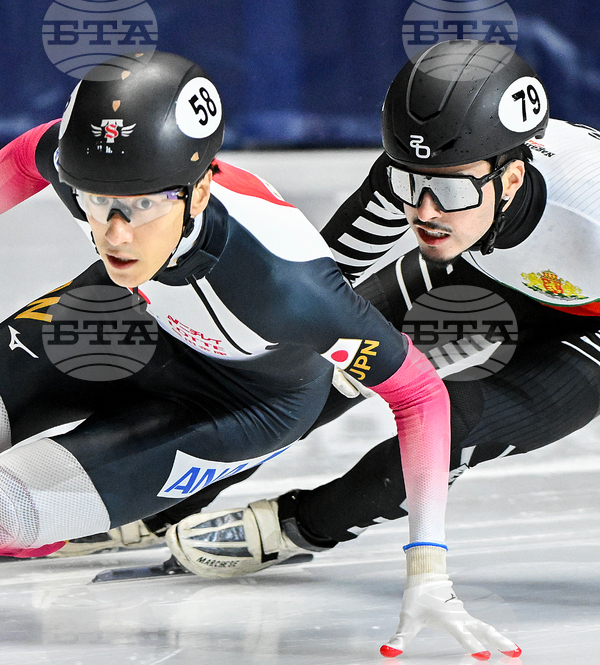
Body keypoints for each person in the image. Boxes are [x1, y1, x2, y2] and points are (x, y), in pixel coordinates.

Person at [0, 51, 515, 659]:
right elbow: (30, 155)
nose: (113, 231)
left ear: (197, 189)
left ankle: (112, 507)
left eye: (139, 209)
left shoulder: (287, 282)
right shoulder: (103, 171)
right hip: (128, 313)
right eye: (96, 207)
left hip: (243, 401)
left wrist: (427, 571)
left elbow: (419, 396)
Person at [156, 40, 599, 657]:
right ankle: (173, 484)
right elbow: (317, 284)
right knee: (316, 362)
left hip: (590, 329)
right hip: (484, 270)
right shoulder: (431, 176)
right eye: (409, 181)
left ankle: (300, 525)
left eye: (446, 192)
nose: (422, 209)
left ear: (514, 176)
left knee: (457, 423)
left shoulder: (590, 209)